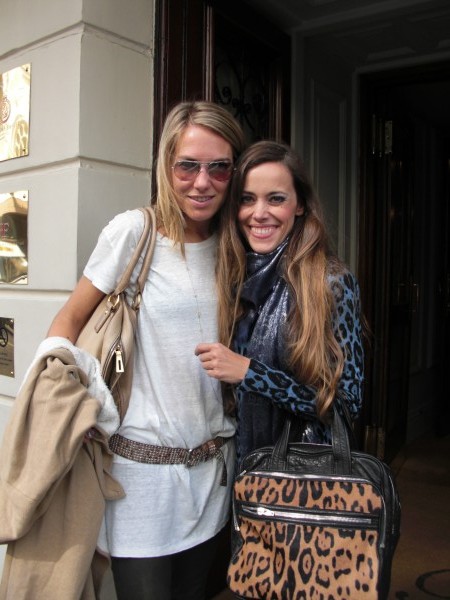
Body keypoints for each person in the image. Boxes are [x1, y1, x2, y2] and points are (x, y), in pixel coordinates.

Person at [45, 101, 245, 599]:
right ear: (166, 166)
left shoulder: (234, 245)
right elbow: (69, 320)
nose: (203, 182)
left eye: (219, 167)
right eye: (188, 166)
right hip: (139, 481)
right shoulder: (135, 232)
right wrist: (69, 400)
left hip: (212, 476)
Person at [195, 140, 364, 466]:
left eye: (276, 199)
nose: (259, 213)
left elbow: (346, 406)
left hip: (302, 477)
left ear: (299, 205)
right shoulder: (234, 279)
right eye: (247, 199)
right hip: (242, 471)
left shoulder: (330, 283)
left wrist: (251, 373)